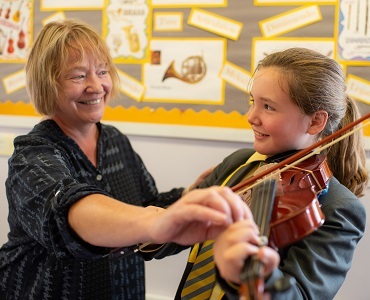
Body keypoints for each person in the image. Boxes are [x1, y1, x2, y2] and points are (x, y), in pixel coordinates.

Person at [0, 19, 251, 300]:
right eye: (79, 76)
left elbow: (144, 206)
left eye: (102, 71)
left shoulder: (115, 140)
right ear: (47, 83)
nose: (96, 86)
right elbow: (67, 209)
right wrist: (155, 221)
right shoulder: (31, 155)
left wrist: (188, 196)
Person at [176, 47, 368, 300]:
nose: (250, 117)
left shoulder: (337, 207)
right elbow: (175, 232)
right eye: (253, 102)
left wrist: (253, 273)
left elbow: (301, 295)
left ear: (315, 122)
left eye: (268, 107)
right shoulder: (239, 164)